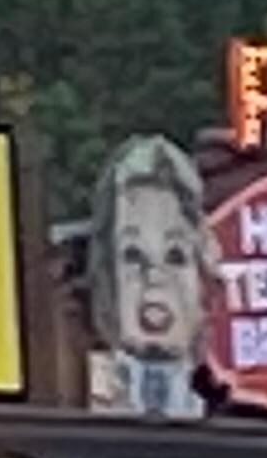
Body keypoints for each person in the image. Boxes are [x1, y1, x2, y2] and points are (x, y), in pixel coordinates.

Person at [88, 135, 212, 418]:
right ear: (107, 272)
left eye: (175, 256)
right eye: (133, 255)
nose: (154, 276)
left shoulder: (229, 404)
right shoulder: (77, 399)